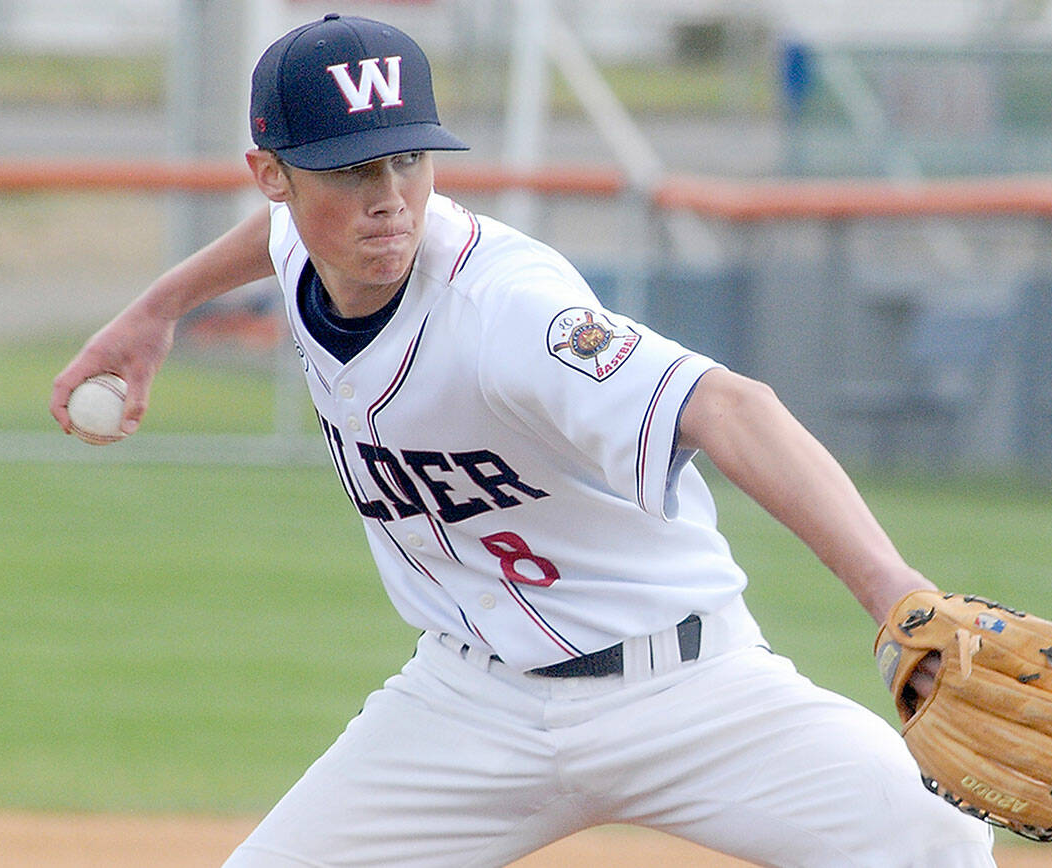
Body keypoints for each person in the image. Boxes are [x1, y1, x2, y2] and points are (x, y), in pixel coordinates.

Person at [51, 14, 996, 868]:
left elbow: (733, 406)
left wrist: (898, 596)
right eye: (350, 170)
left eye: (407, 161)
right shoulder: (306, 239)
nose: (388, 198)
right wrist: (156, 309)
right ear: (275, 176)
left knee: (936, 841)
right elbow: (275, 240)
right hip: (469, 708)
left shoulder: (510, 311)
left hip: (689, 692)